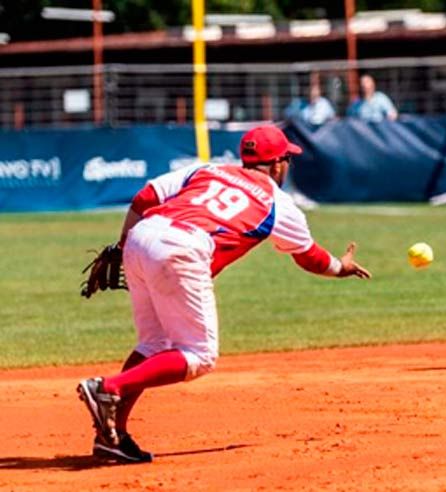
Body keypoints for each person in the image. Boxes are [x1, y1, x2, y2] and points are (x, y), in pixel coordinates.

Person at [76, 124, 371, 463]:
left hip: (143, 235)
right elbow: (308, 256)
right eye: (288, 158)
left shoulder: (207, 169)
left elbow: (145, 198)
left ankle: (112, 435)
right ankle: (108, 388)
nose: (288, 165)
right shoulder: (280, 203)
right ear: (276, 165)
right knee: (199, 355)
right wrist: (340, 266)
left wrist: (124, 244)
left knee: (154, 344)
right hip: (182, 247)